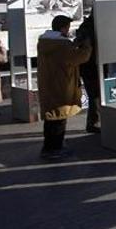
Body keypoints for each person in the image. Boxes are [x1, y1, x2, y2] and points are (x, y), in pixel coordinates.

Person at [37, 15, 92, 160]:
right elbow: (79, 58)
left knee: (51, 117)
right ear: (63, 28)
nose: (68, 29)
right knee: (59, 118)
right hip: (61, 84)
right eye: (67, 27)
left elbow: (61, 55)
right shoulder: (62, 45)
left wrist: (73, 43)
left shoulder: (45, 41)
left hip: (48, 83)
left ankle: (49, 147)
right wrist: (86, 46)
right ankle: (54, 149)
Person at [74, 14, 101, 133]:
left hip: (92, 65)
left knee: (96, 95)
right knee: (95, 95)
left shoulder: (89, 26)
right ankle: (93, 122)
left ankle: (95, 122)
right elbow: (83, 47)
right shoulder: (88, 27)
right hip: (90, 66)